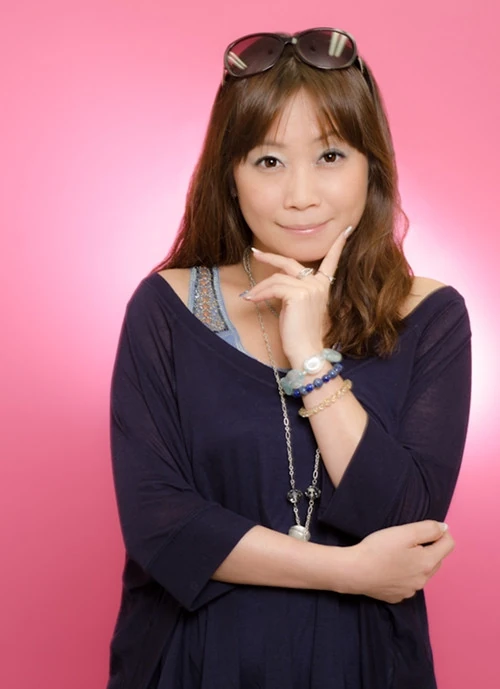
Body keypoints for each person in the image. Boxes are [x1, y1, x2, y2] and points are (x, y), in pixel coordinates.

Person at [107, 28, 471, 689]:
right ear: (231, 175)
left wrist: (311, 359)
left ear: (372, 165)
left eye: (330, 155)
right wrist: (348, 571)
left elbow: (404, 522)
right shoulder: (166, 307)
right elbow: (160, 524)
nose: (301, 194)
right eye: (268, 161)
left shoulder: (430, 314)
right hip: (194, 662)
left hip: (365, 665)